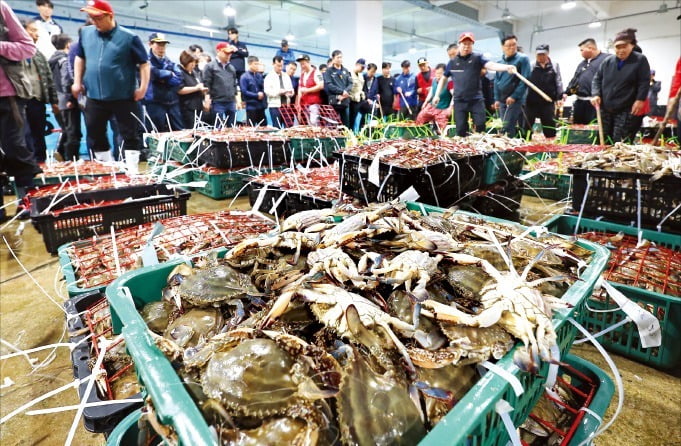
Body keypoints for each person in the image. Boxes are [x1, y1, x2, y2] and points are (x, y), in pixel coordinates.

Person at [72, 0, 149, 162]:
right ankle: (106, 169)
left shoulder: (129, 38)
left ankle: (132, 170)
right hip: (94, 96)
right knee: (95, 133)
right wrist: (77, 81)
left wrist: (142, 88)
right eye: (91, 18)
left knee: (130, 133)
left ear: (110, 16)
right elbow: (80, 57)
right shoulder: (85, 34)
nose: (95, 22)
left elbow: (144, 63)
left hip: (123, 96)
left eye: (98, 18)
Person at [433, 32, 517, 136]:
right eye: (464, 44)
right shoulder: (453, 62)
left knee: (481, 126)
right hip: (459, 101)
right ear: (459, 44)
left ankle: (479, 148)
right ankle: (464, 149)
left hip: (476, 100)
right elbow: (443, 79)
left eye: (469, 44)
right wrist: (437, 95)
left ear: (472, 45)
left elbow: (490, 65)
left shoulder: (477, 58)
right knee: (461, 130)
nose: (466, 46)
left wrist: (506, 67)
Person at [0, 0, 42, 202]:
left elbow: (27, 47)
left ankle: (27, 202)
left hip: (7, 94)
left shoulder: (1, 8)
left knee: (16, 149)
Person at [591, 28, 650, 143]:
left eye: (624, 46)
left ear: (632, 45)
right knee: (603, 139)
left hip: (626, 107)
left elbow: (644, 81)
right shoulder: (607, 61)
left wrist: (640, 99)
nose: (621, 50)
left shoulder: (640, 60)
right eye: (618, 47)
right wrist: (595, 94)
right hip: (605, 107)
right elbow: (597, 79)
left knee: (620, 140)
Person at [21, 18, 58, 163]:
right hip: (19, 101)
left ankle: (41, 165)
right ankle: (27, 167)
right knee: (24, 135)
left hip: (37, 101)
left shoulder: (38, 54)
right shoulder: (12, 52)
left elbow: (49, 79)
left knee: (38, 134)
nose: (37, 34)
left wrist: (54, 101)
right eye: (33, 30)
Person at [48, 34, 80, 161]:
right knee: (72, 131)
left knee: (67, 129)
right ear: (68, 45)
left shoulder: (51, 60)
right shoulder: (65, 60)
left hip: (57, 101)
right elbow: (66, 80)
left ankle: (60, 152)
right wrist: (70, 97)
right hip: (66, 100)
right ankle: (71, 159)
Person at [144, 32, 183, 133]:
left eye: (164, 45)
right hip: (155, 103)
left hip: (172, 102)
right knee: (155, 133)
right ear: (150, 44)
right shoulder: (145, 61)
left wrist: (163, 77)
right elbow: (153, 73)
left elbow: (179, 78)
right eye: (158, 44)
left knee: (178, 132)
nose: (162, 48)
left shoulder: (168, 61)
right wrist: (170, 74)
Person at [493, 35, 531, 138]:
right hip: (502, 100)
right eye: (509, 45)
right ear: (503, 47)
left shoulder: (522, 59)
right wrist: (496, 98)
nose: (512, 47)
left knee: (508, 127)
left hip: (515, 99)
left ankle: (510, 151)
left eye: (514, 45)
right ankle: (506, 149)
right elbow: (496, 80)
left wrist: (514, 96)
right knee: (503, 125)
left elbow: (525, 79)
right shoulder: (500, 62)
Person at [524, 44, 563, 138]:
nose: (540, 57)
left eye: (543, 54)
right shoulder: (531, 65)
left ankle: (550, 148)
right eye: (538, 55)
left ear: (548, 54)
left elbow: (558, 82)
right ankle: (524, 146)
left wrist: (559, 97)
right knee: (527, 125)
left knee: (549, 125)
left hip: (548, 101)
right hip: (531, 101)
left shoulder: (554, 65)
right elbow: (525, 82)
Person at [565, 38, 607, 124]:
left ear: (590, 48)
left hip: (595, 103)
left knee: (593, 130)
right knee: (578, 130)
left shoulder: (607, 60)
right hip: (580, 103)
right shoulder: (582, 64)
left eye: (582, 50)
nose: (580, 53)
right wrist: (567, 92)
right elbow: (575, 81)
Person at [202, 42, 238, 127]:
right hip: (217, 102)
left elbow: (234, 84)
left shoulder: (231, 68)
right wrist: (207, 100)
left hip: (231, 102)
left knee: (232, 127)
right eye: (226, 53)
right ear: (218, 51)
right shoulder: (210, 66)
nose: (228, 55)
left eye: (230, 53)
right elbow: (207, 84)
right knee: (218, 127)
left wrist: (237, 99)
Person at [416, 63, 452, 133]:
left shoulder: (449, 82)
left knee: (442, 129)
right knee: (420, 118)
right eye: (437, 73)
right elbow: (431, 92)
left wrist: (450, 108)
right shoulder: (434, 80)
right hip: (432, 107)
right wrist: (426, 102)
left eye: (440, 73)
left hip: (442, 109)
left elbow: (455, 95)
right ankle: (420, 134)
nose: (438, 75)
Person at [177, 50, 207, 129]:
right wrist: (196, 88)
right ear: (185, 61)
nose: (193, 65)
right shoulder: (179, 72)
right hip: (187, 108)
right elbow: (180, 90)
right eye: (191, 63)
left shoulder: (194, 73)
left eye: (195, 62)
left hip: (198, 106)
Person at [323, 50, 353, 127]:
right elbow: (329, 85)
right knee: (332, 123)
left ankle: (346, 138)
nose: (340, 59)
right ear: (333, 59)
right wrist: (341, 92)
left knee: (346, 124)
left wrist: (345, 92)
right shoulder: (328, 71)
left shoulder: (345, 71)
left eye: (341, 57)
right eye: (338, 57)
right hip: (334, 101)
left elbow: (350, 83)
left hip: (345, 101)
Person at [264, 55, 293, 128]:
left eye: (281, 66)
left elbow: (291, 89)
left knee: (288, 127)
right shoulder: (269, 77)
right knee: (277, 128)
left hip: (286, 106)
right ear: (273, 64)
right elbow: (267, 91)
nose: (280, 68)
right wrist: (278, 92)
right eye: (278, 66)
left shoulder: (286, 76)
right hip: (274, 106)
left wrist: (290, 93)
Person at [296, 54, 324, 126]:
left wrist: (307, 90)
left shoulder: (316, 73)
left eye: (304, 64)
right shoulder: (302, 75)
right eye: (301, 64)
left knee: (314, 122)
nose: (302, 66)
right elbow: (300, 90)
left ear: (309, 62)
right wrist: (298, 105)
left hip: (314, 104)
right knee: (307, 125)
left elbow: (321, 85)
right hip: (304, 105)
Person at [240, 55, 267, 125]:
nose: (257, 66)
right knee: (251, 128)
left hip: (261, 106)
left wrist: (263, 93)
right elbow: (244, 91)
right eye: (255, 64)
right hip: (251, 107)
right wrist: (256, 95)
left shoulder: (259, 76)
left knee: (264, 127)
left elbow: (263, 88)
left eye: (258, 64)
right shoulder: (244, 77)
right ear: (249, 64)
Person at [348, 58, 365, 131]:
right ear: (357, 65)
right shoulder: (349, 73)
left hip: (358, 100)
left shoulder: (361, 75)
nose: (363, 69)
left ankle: (353, 134)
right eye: (362, 67)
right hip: (351, 100)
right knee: (349, 120)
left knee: (354, 119)